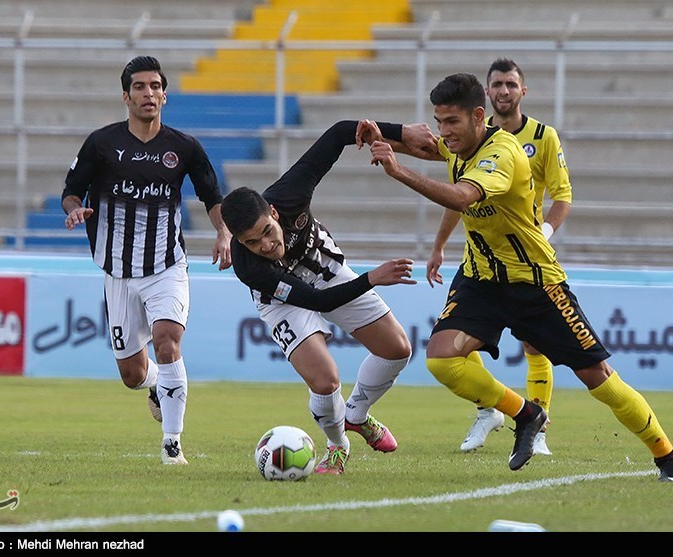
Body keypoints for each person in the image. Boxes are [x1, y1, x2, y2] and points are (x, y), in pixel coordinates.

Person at [361, 72, 673, 481]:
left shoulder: (502, 154)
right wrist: (380, 132)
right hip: (482, 280)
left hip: (535, 283)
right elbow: (424, 145)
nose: (444, 132)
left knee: (597, 377)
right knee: (442, 359)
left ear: (478, 116)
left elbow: (462, 197)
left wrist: (398, 171)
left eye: (452, 122)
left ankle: (667, 455)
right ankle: (526, 413)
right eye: (439, 121)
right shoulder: (458, 145)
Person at [220, 119, 434, 475]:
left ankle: (356, 414)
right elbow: (317, 302)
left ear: (274, 212)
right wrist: (372, 278)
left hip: (326, 269)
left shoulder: (291, 190)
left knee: (397, 350)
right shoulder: (249, 267)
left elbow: (338, 133)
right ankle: (337, 445)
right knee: (324, 380)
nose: (266, 245)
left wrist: (400, 132)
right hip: (284, 299)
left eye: (267, 232)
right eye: (252, 242)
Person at [61, 56, 232, 465]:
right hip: (117, 271)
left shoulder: (184, 147)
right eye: (139, 87)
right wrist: (74, 209)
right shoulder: (101, 144)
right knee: (132, 374)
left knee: (167, 342)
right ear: (126, 96)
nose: (148, 93)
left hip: (166, 265)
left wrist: (224, 232)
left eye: (155, 86)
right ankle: (156, 383)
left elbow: (213, 198)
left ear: (165, 95)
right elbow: (71, 190)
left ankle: (172, 444)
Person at [426, 58, 572, 455]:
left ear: (523, 90)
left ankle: (537, 429)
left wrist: (545, 232)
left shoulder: (543, 137)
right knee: (454, 341)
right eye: (497, 85)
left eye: (511, 84)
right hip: (479, 257)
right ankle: (488, 410)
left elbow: (562, 195)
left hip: (524, 257)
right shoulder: (468, 137)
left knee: (533, 345)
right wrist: (439, 245)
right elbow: (458, 195)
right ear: (486, 94)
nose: (504, 91)